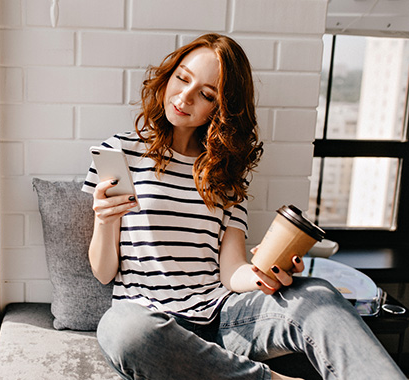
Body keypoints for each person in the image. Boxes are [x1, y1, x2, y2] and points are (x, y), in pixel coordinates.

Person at [82, 33, 405, 380]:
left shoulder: (224, 172)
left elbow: (230, 271)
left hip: (225, 319)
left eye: (206, 94)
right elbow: (103, 272)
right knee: (122, 328)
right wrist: (104, 219)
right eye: (182, 78)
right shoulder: (121, 152)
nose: (185, 97)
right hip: (148, 319)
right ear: (169, 75)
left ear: (219, 109)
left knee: (317, 294)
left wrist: (264, 276)